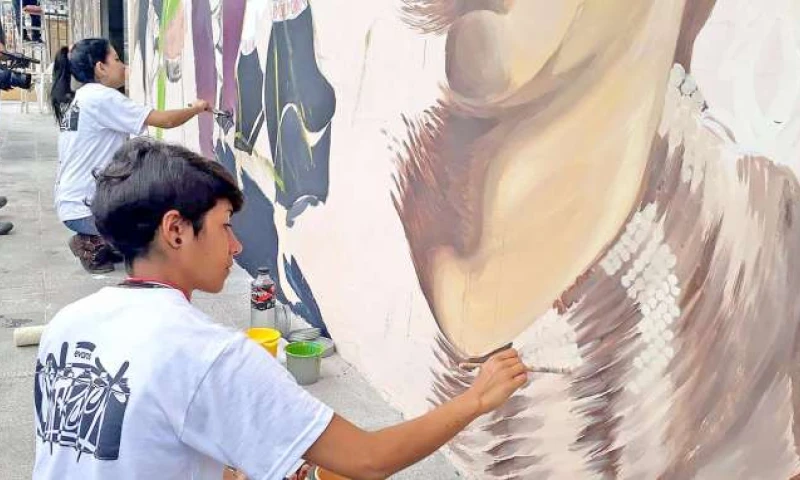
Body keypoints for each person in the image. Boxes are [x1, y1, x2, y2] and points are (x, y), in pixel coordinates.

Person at [32, 137, 528, 480]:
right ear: (176, 230)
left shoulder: (67, 326)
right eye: (225, 225)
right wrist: (476, 399)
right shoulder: (208, 355)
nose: (236, 247)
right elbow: (368, 461)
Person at [50, 38, 211, 274]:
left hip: (73, 204)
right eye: (116, 59)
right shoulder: (101, 97)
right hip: (85, 210)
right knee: (156, 230)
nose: (123, 66)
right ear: (100, 68)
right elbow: (165, 121)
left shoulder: (84, 97)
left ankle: (105, 239)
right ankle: (91, 243)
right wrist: (196, 108)